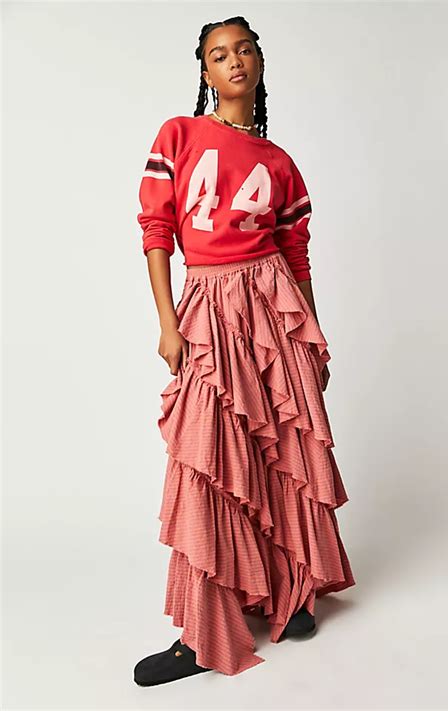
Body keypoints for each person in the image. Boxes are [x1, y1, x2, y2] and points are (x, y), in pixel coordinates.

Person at [133, 16, 355, 686]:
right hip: (208, 303)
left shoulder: (280, 163)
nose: (233, 61)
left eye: (243, 49)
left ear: (258, 61)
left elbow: (296, 255)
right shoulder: (178, 134)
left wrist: (312, 336)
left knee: (281, 449)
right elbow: (157, 230)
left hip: (271, 306)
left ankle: (294, 594)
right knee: (208, 459)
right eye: (218, 55)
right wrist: (168, 323)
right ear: (205, 72)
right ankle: (202, 633)